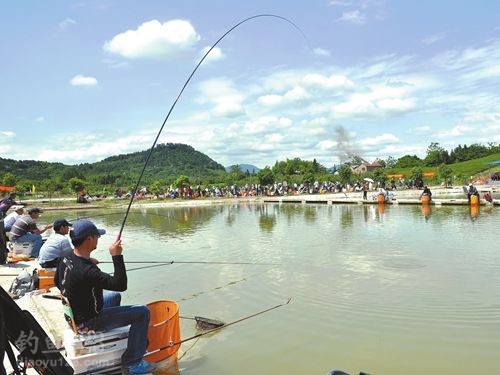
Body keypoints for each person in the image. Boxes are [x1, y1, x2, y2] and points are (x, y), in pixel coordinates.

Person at [54, 220, 157, 374]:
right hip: (89, 321)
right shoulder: (88, 272)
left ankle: (127, 337)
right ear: (89, 239)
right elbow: (120, 284)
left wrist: (88, 261)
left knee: (114, 297)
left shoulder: (66, 255)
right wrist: (117, 256)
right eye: (97, 236)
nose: (98, 239)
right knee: (143, 312)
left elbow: (57, 280)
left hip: (73, 315)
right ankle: (132, 363)